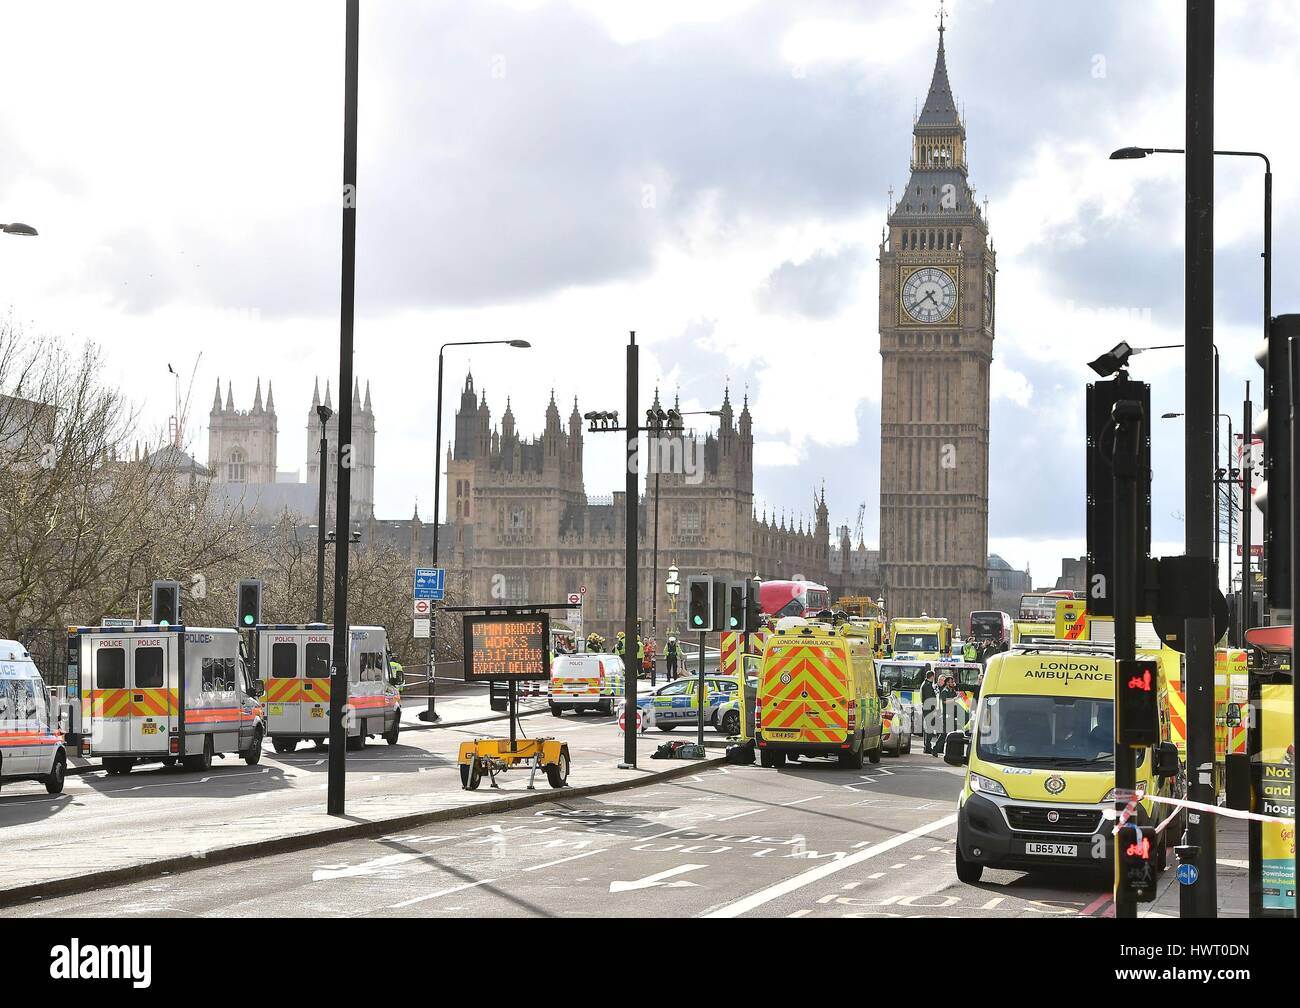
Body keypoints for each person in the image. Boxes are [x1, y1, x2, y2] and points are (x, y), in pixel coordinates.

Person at [921, 667, 942, 756]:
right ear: (932, 677)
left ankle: (927, 747)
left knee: (928, 729)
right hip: (929, 710)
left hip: (927, 709)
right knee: (930, 729)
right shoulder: (927, 685)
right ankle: (928, 748)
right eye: (934, 677)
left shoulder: (925, 684)